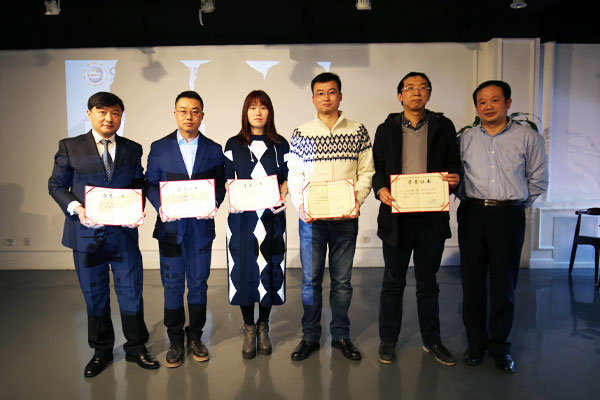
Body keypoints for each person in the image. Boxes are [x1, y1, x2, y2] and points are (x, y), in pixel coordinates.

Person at [48, 92, 159, 378]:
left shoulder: (132, 148)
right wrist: (77, 209)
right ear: (90, 114)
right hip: (85, 236)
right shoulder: (71, 146)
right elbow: (56, 185)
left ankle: (136, 348)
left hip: (123, 236)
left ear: (121, 116)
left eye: (115, 113)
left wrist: (137, 207)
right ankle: (101, 351)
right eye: (102, 112)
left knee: (131, 293)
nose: (109, 118)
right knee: (95, 296)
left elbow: (138, 183)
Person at [372, 72, 462, 366]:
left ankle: (432, 340)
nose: (416, 92)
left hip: (431, 218)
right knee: (392, 282)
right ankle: (388, 340)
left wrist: (454, 178)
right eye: (410, 88)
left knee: (428, 283)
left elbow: (454, 163)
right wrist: (381, 189)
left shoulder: (443, 127)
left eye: (423, 87)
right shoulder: (386, 129)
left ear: (429, 94)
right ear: (400, 95)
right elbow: (378, 168)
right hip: (396, 217)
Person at [458, 80, 548, 373]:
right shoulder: (466, 138)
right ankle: (475, 346)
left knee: (504, 285)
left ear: (508, 103)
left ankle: (500, 348)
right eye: (482, 102)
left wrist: (515, 204)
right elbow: (456, 177)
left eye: (494, 100)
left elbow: (538, 179)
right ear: (476, 107)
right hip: (473, 214)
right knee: (472, 283)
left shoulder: (528, 137)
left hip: (508, 216)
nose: (488, 106)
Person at [287, 72, 374, 361]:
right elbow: (295, 175)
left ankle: (341, 335)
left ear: (340, 95)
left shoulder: (358, 131)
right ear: (313, 98)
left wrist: (355, 200)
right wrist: (301, 206)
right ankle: (310, 336)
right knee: (310, 282)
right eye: (320, 93)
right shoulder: (301, 133)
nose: (326, 97)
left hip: (346, 220)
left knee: (342, 282)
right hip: (312, 221)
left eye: (332, 92)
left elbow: (367, 171)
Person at [146, 91, 225, 368]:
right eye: (183, 110)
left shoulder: (214, 149)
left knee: (199, 285)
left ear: (202, 115)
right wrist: (162, 207)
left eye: (194, 111)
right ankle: (175, 340)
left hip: (201, 229)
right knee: (172, 286)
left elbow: (219, 185)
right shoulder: (159, 147)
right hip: (170, 229)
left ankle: (195, 337)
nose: (188, 116)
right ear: (175, 113)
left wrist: (213, 203)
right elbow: (150, 184)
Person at [224, 90, 289, 359]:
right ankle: (249, 327)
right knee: (244, 272)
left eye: (263, 107)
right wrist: (235, 194)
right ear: (245, 112)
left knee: (268, 271)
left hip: (272, 219)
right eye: (252, 107)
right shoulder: (233, 144)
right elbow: (227, 178)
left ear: (270, 111)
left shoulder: (281, 144)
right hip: (242, 220)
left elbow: (288, 178)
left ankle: (264, 325)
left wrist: (283, 191)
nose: (258, 112)